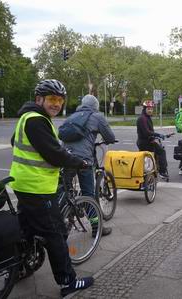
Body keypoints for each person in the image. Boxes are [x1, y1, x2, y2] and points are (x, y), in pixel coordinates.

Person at [9, 79, 94, 297]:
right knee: (55, 233)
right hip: (37, 188)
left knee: (27, 228)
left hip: (23, 183)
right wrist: (78, 162)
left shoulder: (28, 117)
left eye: (59, 100)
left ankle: (20, 265)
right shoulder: (37, 120)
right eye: (52, 99)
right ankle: (68, 281)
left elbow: (17, 142)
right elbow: (54, 154)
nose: (56, 104)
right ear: (39, 99)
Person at [61, 94, 116, 236]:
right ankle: (97, 228)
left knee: (64, 191)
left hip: (65, 157)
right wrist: (109, 140)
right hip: (83, 160)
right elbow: (109, 137)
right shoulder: (97, 117)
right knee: (89, 194)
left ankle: (62, 219)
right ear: (95, 107)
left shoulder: (72, 117)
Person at [136, 100, 169, 180]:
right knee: (161, 151)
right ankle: (162, 172)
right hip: (145, 142)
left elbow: (150, 131)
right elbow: (146, 132)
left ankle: (151, 173)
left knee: (150, 159)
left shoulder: (147, 118)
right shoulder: (142, 119)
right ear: (144, 109)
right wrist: (158, 135)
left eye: (151, 109)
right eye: (148, 109)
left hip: (147, 141)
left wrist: (157, 136)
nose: (150, 110)